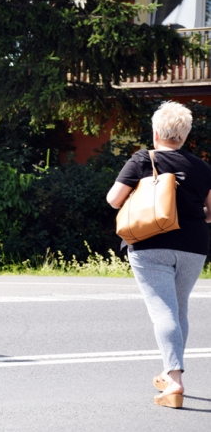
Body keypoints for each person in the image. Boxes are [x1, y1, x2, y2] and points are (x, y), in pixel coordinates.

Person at [106, 101, 211, 409]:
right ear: (186, 135)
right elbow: (210, 214)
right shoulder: (202, 167)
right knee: (178, 311)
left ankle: (175, 380)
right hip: (193, 246)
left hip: (149, 244)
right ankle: (168, 371)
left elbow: (114, 200)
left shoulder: (142, 159)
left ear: (155, 132)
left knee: (163, 312)